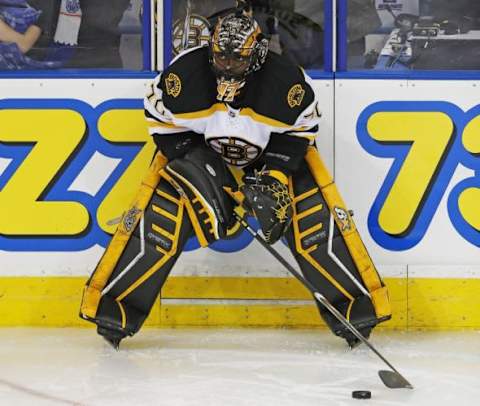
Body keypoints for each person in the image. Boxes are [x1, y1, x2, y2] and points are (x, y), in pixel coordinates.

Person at [80, 5, 391, 350]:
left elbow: (302, 130)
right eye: (221, 59)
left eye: (237, 61)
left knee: (312, 215)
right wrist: (196, 164)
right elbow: (159, 119)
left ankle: (357, 310)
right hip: (201, 151)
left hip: (270, 152)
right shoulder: (184, 75)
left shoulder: (286, 82)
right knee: (161, 216)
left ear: (257, 55)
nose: (226, 67)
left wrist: (274, 172)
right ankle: (114, 311)